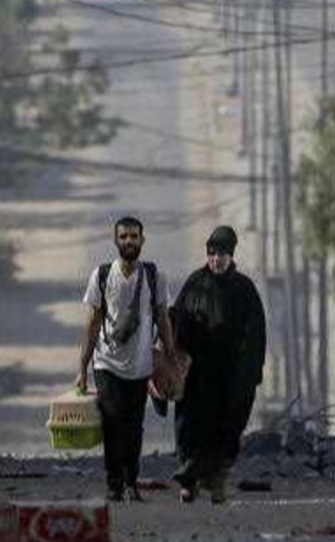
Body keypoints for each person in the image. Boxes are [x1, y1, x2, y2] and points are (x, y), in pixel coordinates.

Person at [76, 216, 175, 503]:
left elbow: (163, 319)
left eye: (134, 236)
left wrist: (170, 358)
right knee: (111, 422)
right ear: (116, 241)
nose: (129, 241)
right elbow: (92, 323)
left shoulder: (156, 277)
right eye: (124, 237)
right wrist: (82, 368)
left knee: (134, 426)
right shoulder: (102, 275)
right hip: (106, 363)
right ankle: (114, 484)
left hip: (140, 366)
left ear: (142, 241)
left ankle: (132, 481)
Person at [170, 225, 266, 504]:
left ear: (231, 256)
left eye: (221, 255)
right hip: (198, 375)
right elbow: (178, 322)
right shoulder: (195, 283)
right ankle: (188, 482)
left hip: (231, 376)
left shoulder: (244, 289)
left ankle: (217, 481)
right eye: (211, 254)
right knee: (190, 427)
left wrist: (251, 372)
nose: (215, 260)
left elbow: (256, 333)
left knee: (227, 429)